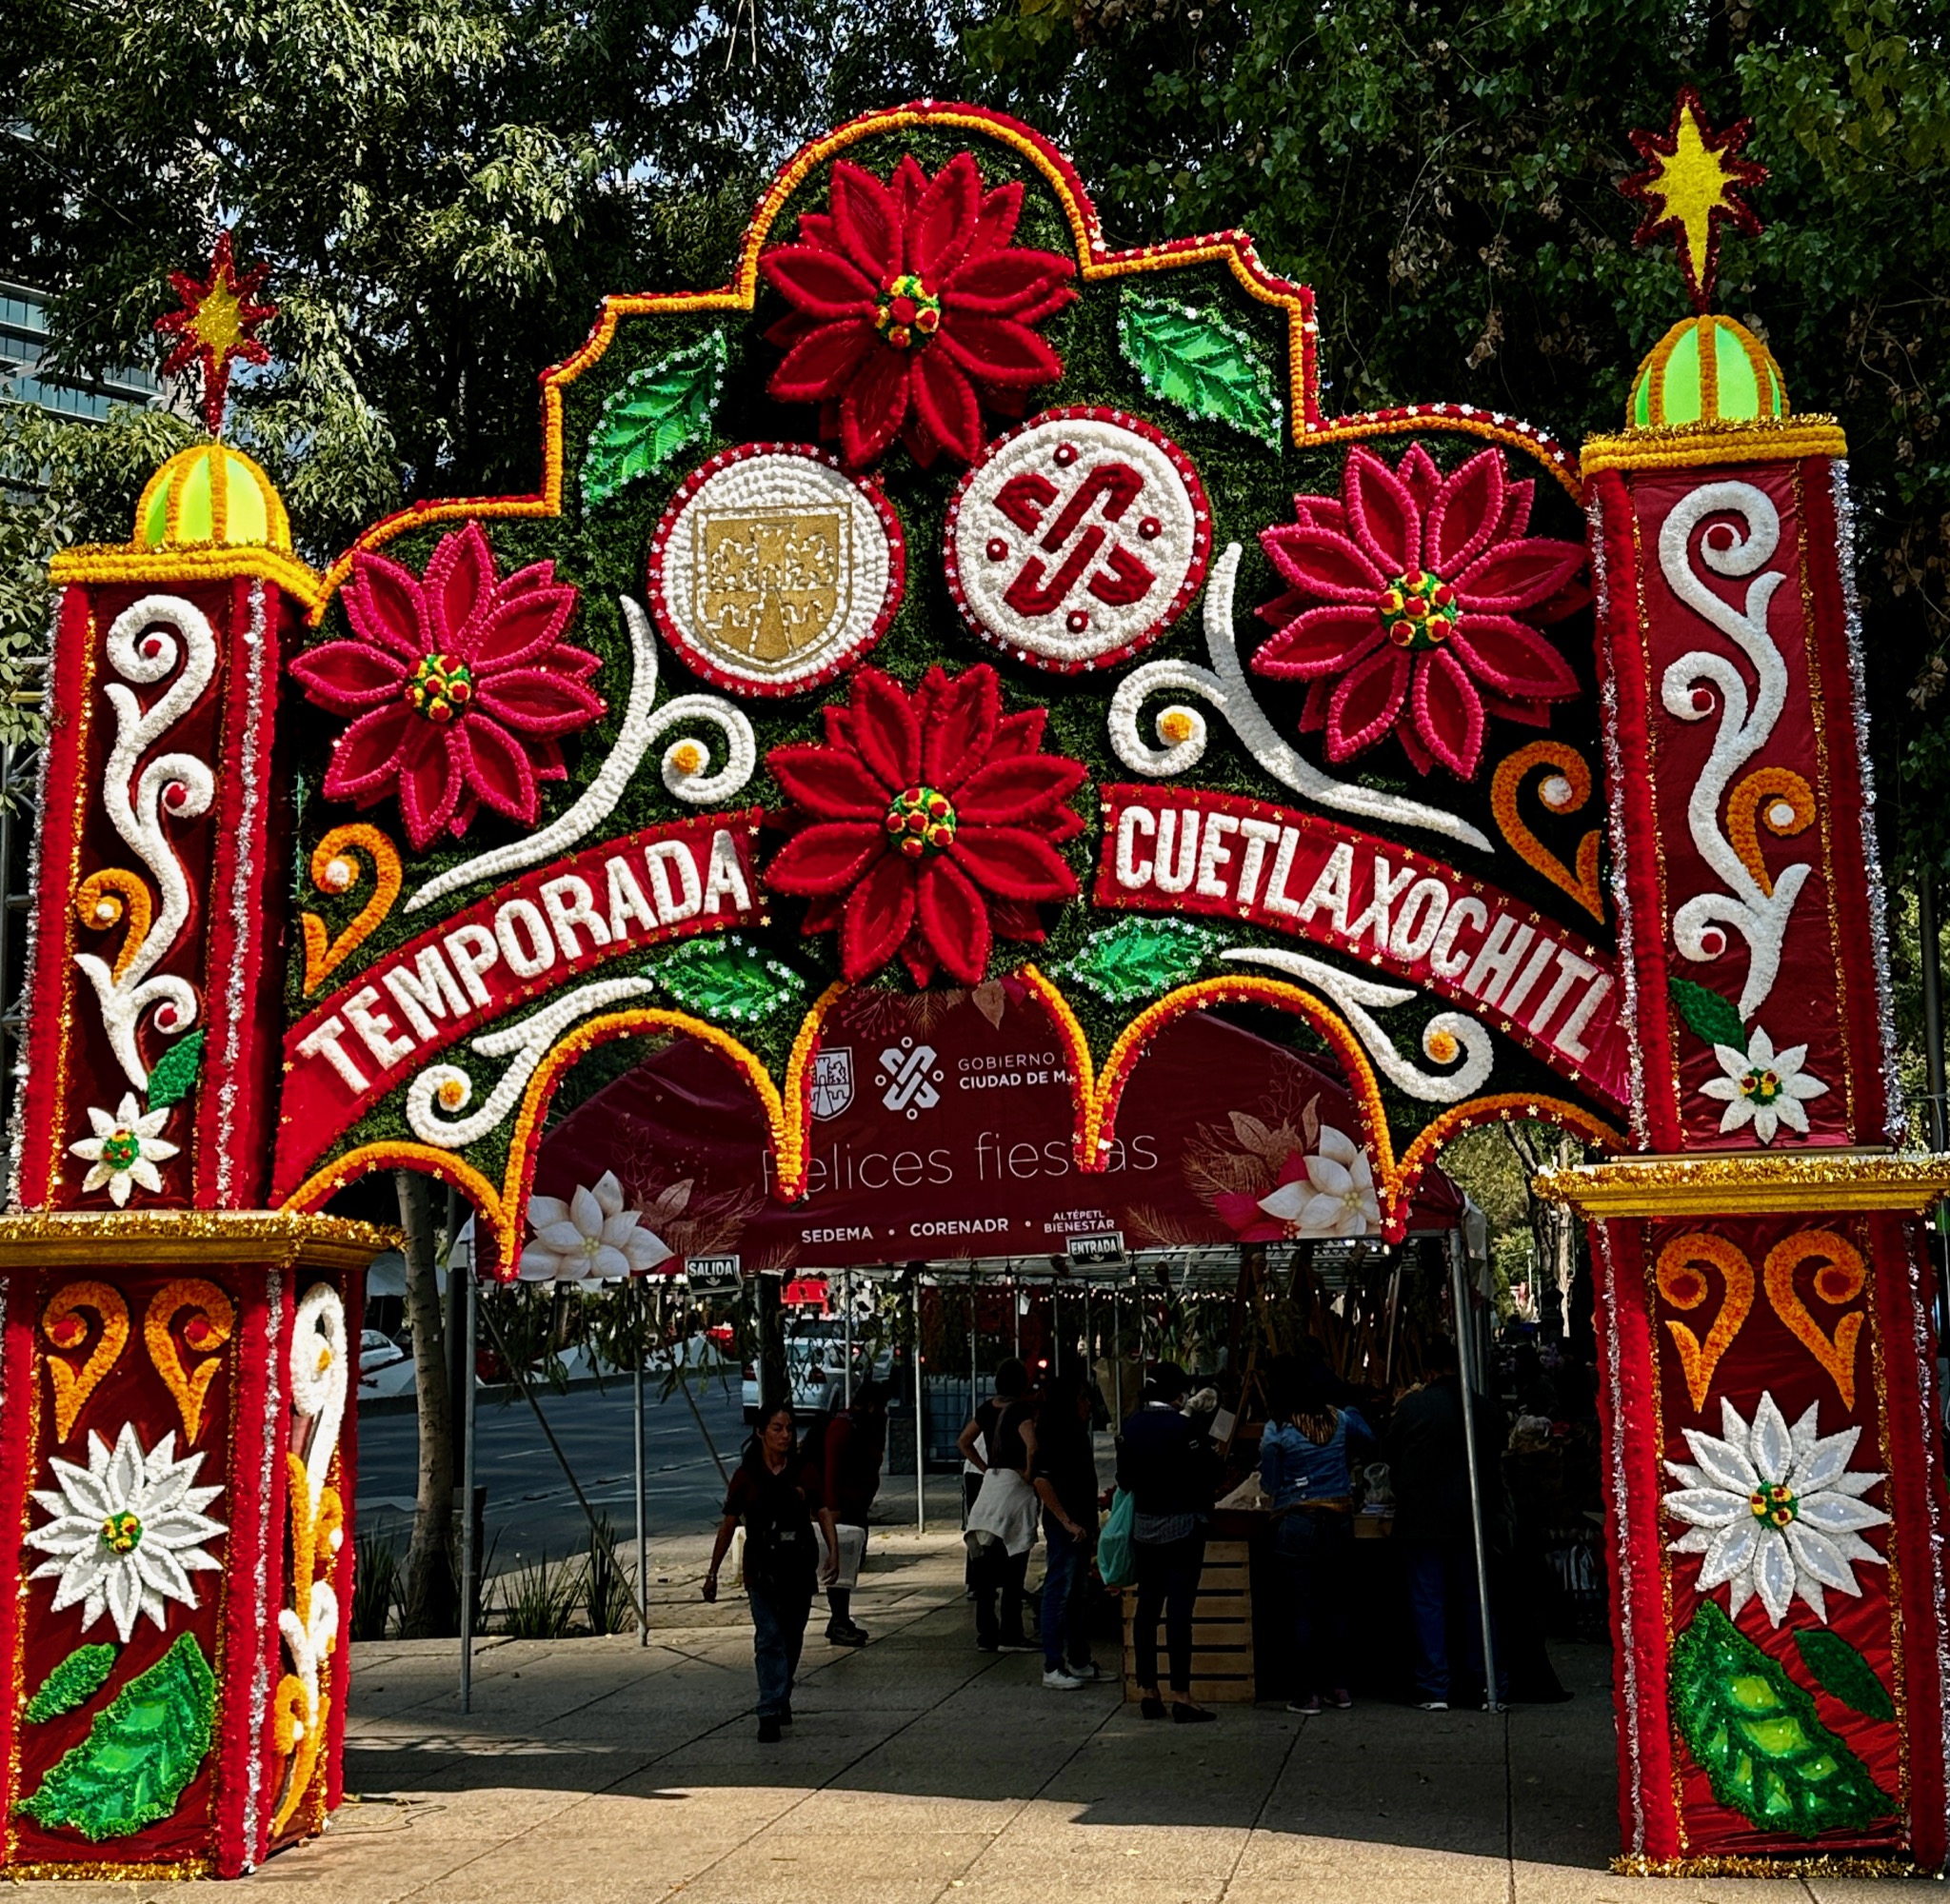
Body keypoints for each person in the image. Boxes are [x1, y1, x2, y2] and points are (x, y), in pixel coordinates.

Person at [1383, 1337, 1511, 1712]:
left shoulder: (1413, 1407)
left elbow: (1387, 1451)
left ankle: (1435, 1686)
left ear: (1428, 1371)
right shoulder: (1484, 1409)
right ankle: (1487, 1683)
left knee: (1429, 1601)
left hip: (1422, 1520)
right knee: (1477, 1601)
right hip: (1474, 1518)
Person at [704, 1400, 838, 1741]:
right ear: (761, 1432)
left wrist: (833, 1551)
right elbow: (729, 1523)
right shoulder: (746, 1476)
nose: (785, 1435)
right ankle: (768, 1708)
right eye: (777, 1428)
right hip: (761, 1568)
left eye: (790, 1429)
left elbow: (822, 1511)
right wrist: (713, 1572)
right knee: (769, 1638)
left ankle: (781, 1694)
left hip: (797, 1565)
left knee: (791, 1639)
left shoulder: (804, 1470)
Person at [1260, 1365, 1374, 1714]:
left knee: (1302, 1609)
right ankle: (1339, 1688)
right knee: (1337, 1606)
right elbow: (1368, 1437)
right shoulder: (1339, 1419)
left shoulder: (1278, 1429)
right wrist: (1352, 1407)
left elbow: (1270, 1480)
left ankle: (1307, 1694)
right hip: (1338, 1519)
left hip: (1297, 1522)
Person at [1117, 1362, 1219, 1723]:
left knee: (1147, 1609)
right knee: (1179, 1612)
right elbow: (1208, 1471)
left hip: (1145, 1527)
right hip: (1182, 1527)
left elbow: (1124, 1478)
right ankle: (1182, 1695)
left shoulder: (1131, 1426)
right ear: (1178, 1394)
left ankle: (1149, 1690)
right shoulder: (1184, 1427)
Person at [959, 1358, 1039, 1652]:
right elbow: (1032, 1445)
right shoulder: (1021, 1411)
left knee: (985, 1571)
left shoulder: (986, 1409)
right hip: (1014, 1487)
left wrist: (984, 1466)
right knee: (1015, 1566)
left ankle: (986, 1634)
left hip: (989, 1488)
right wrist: (1029, 1473)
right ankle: (1011, 1632)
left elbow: (964, 1441)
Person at [1031, 1366, 1101, 1690]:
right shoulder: (1056, 1435)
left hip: (1081, 1524)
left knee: (1077, 1595)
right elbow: (1042, 1480)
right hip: (1067, 1527)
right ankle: (1053, 1664)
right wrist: (1065, 1520)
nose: (1089, 1405)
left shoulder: (1076, 1433)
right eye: (1083, 1399)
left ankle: (1079, 1658)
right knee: (1059, 1592)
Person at [818, 1380, 888, 1647]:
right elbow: (832, 1470)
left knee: (850, 1562)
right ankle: (838, 1620)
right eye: (880, 1406)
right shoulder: (843, 1427)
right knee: (841, 1564)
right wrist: (832, 1508)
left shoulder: (863, 1426)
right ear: (870, 1405)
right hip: (842, 1507)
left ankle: (841, 1619)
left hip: (856, 1505)